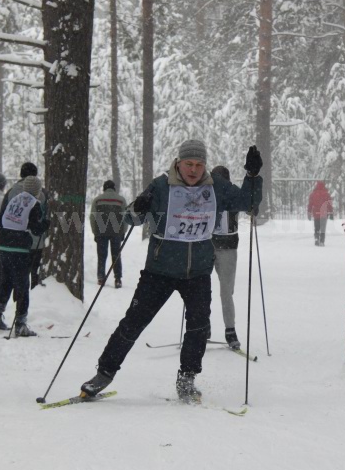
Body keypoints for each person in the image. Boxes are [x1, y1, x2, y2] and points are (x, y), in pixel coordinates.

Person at [80, 140, 262, 403]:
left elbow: (249, 202)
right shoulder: (161, 186)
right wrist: (137, 207)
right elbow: (131, 218)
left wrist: (253, 176)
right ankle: (103, 374)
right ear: (179, 162)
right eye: (189, 164)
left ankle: (187, 379)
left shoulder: (217, 188)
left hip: (197, 272)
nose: (194, 170)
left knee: (199, 326)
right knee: (133, 322)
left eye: (199, 164)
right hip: (160, 270)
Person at [0, 174, 49, 337]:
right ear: (37, 190)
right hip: (19, 248)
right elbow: (36, 229)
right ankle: (21, 324)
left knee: (7, 281)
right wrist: (46, 224)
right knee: (22, 284)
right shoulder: (34, 204)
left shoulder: (14, 200)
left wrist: (7, 233)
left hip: (4, 245)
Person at [210, 165, 241, 350]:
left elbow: (248, 203)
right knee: (201, 289)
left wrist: (253, 207)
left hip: (228, 246)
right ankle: (202, 326)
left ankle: (230, 330)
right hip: (207, 245)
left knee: (226, 291)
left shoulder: (233, 194)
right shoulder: (207, 194)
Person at [89, 179, 128, 288]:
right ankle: (118, 279)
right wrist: (123, 231)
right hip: (116, 232)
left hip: (101, 231)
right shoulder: (121, 200)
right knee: (116, 255)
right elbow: (125, 217)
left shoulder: (97, 200)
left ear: (104, 188)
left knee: (102, 255)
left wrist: (95, 231)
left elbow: (92, 217)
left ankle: (101, 278)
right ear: (114, 188)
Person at [17, 162, 50, 289]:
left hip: (16, 242)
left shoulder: (12, 192)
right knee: (35, 272)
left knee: (20, 275)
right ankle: (34, 292)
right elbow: (44, 216)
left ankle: (20, 296)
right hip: (37, 242)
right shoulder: (42, 193)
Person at [307, 180, 334, 246]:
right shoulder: (326, 194)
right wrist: (331, 213)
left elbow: (310, 204)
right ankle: (322, 241)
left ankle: (316, 238)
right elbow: (329, 204)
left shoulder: (313, 194)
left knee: (316, 227)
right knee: (323, 228)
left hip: (316, 213)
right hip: (324, 213)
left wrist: (309, 212)